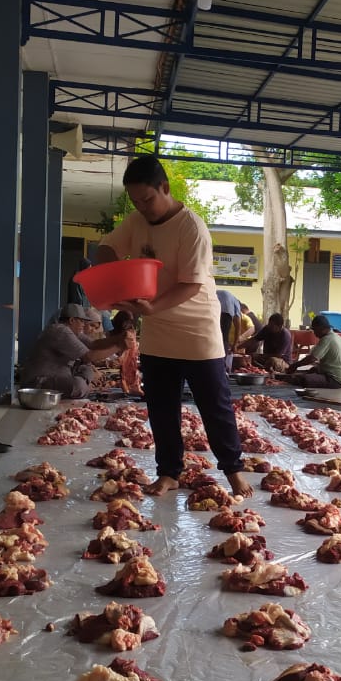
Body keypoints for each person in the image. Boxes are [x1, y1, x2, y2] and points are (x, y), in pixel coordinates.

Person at [97, 154, 252, 498]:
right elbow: (107, 247)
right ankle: (169, 472)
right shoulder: (136, 221)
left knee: (215, 406)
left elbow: (191, 284)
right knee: (162, 408)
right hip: (158, 332)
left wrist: (150, 307)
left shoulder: (191, 227)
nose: (142, 207)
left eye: (147, 199)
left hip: (198, 330)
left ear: (164, 188)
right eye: (136, 201)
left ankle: (234, 470)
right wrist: (110, 277)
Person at [22, 304, 125, 398]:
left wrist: (120, 338)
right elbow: (89, 356)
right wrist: (119, 346)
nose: (83, 325)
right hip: (39, 382)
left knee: (86, 368)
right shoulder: (60, 331)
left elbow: (94, 344)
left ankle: (86, 385)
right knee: (79, 385)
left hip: (57, 378)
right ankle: (86, 386)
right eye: (82, 321)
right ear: (72, 320)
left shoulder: (73, 332)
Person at [286, 314, 341, 388]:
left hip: (334, 379)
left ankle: (283, 378)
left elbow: (312, 358)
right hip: (335, 375)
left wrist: (295, 365)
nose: (314, 333)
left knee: (304, 379)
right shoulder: (337, 337)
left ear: (322, 329)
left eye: (315, 330)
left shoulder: (327, 339)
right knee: (312, 370)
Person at [216, 288, 242, 354]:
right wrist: (235, 345)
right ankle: (223, 358)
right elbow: (238, 325)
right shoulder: (236, 302)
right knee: (224, 337)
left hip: (212, 311)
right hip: (225, 313)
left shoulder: (220, 292)